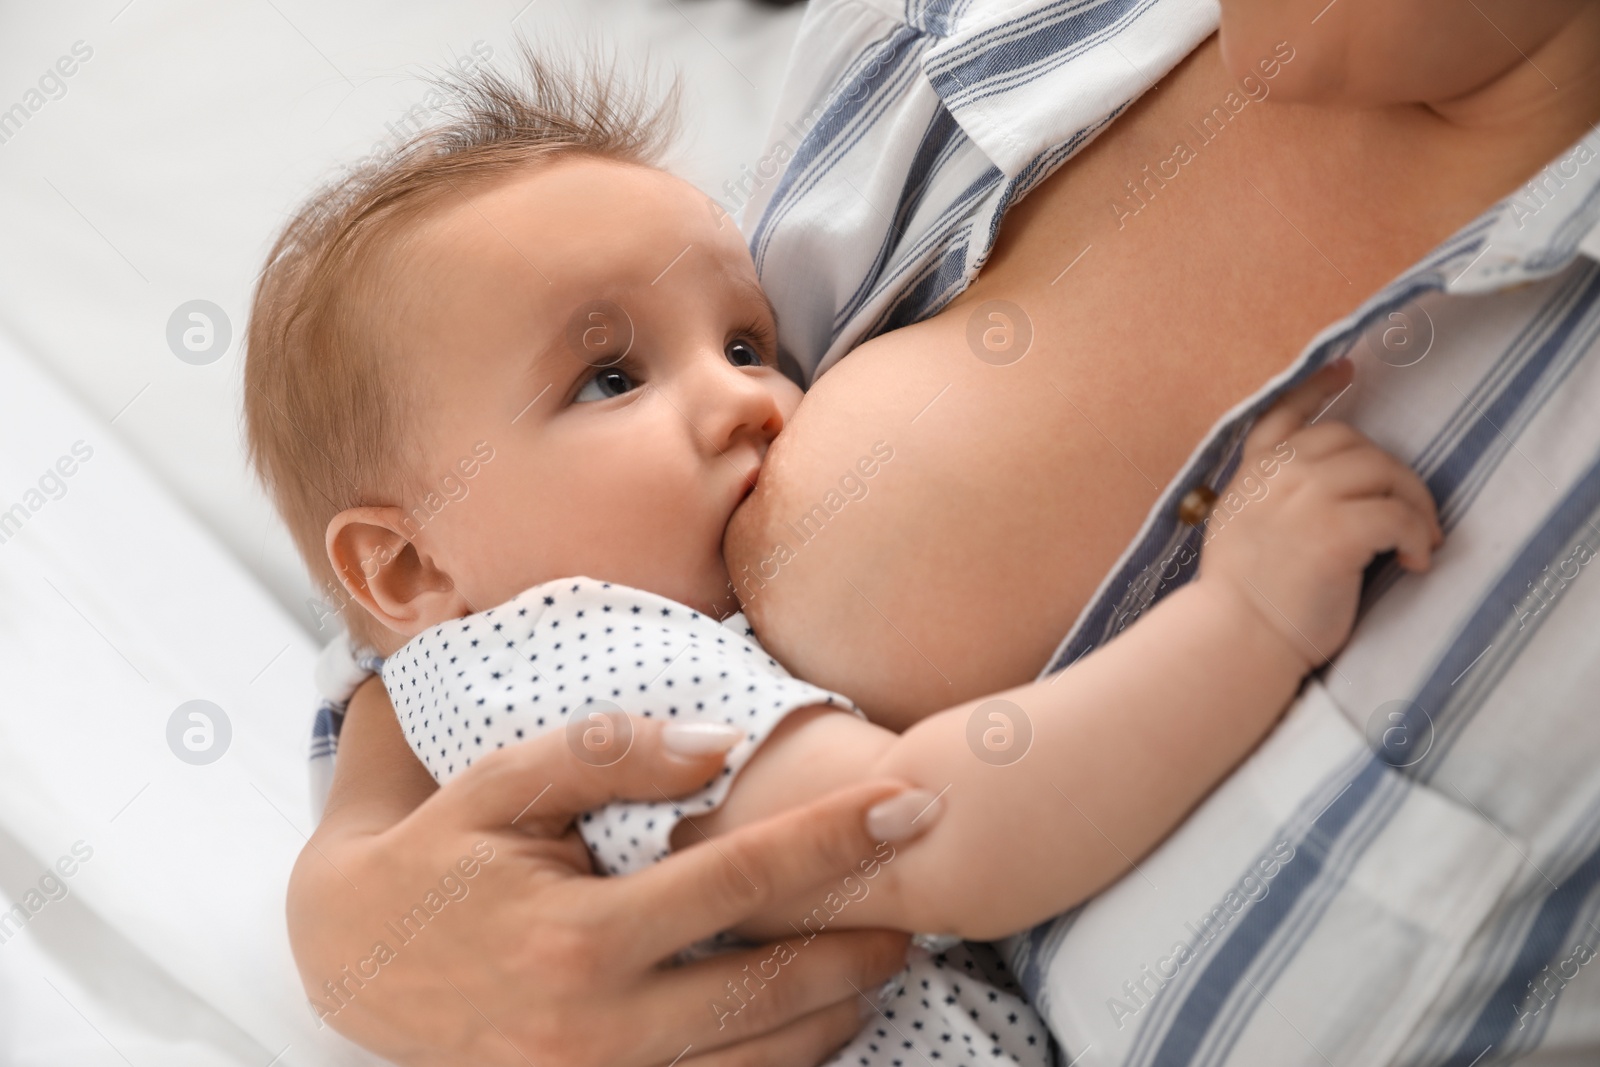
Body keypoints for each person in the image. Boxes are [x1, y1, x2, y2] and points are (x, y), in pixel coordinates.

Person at [285, 0, 1600, 1062]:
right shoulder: (607, 678)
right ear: (397, 568)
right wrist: (1242, 619)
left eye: (747, 340)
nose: (755, 388)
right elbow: (944, 837)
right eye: (612, 379)